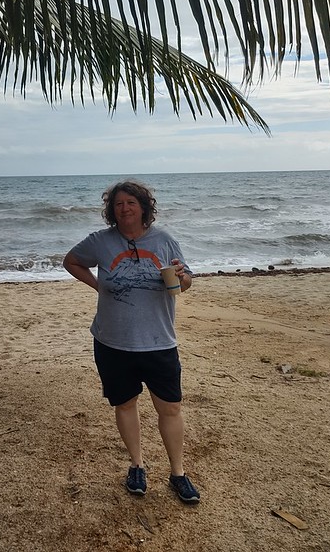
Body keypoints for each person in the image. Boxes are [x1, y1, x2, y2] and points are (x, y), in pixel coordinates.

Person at [63, 179, 200, 504]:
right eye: (118, 204)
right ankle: (137, 464)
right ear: (112, 210)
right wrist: (98, 285)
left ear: (143, 207)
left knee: (170, 408)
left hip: (159, 342)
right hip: (112, 342)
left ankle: (178, 473)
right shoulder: (101, 241)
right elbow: (71, 261)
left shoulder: (164, 240)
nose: (124, 208)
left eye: (130, 203)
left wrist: (182, 278)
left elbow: (187, 281)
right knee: (125, 404)